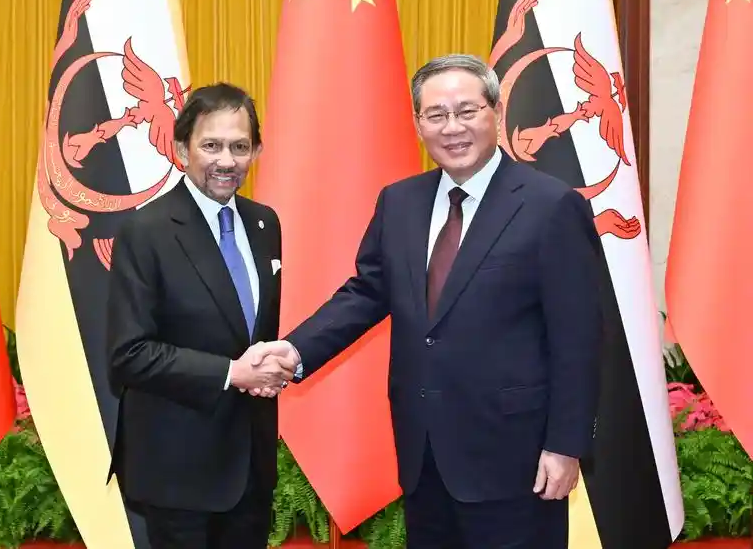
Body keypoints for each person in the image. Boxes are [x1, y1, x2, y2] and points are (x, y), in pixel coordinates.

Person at [250, 55, 604, 548]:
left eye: (466, 111)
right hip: (424, 456)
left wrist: (565, 445)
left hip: (516, 459)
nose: (452, 127)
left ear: (497, 112)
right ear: (418, 124)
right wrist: (294, 350)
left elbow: (579, 339)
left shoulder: (551, 205)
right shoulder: (400, 202)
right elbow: (367, 293)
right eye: (436, 115)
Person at [105, 82, 293, 549]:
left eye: (239, 147)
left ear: (257, 152)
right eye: (211, 146)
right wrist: (232, 373)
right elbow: (129, 354)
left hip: (250, 469)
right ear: (181, 149)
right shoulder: (145, 230)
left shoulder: (265, 223)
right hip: (177, 472)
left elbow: (253, 331)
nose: (226, 160)